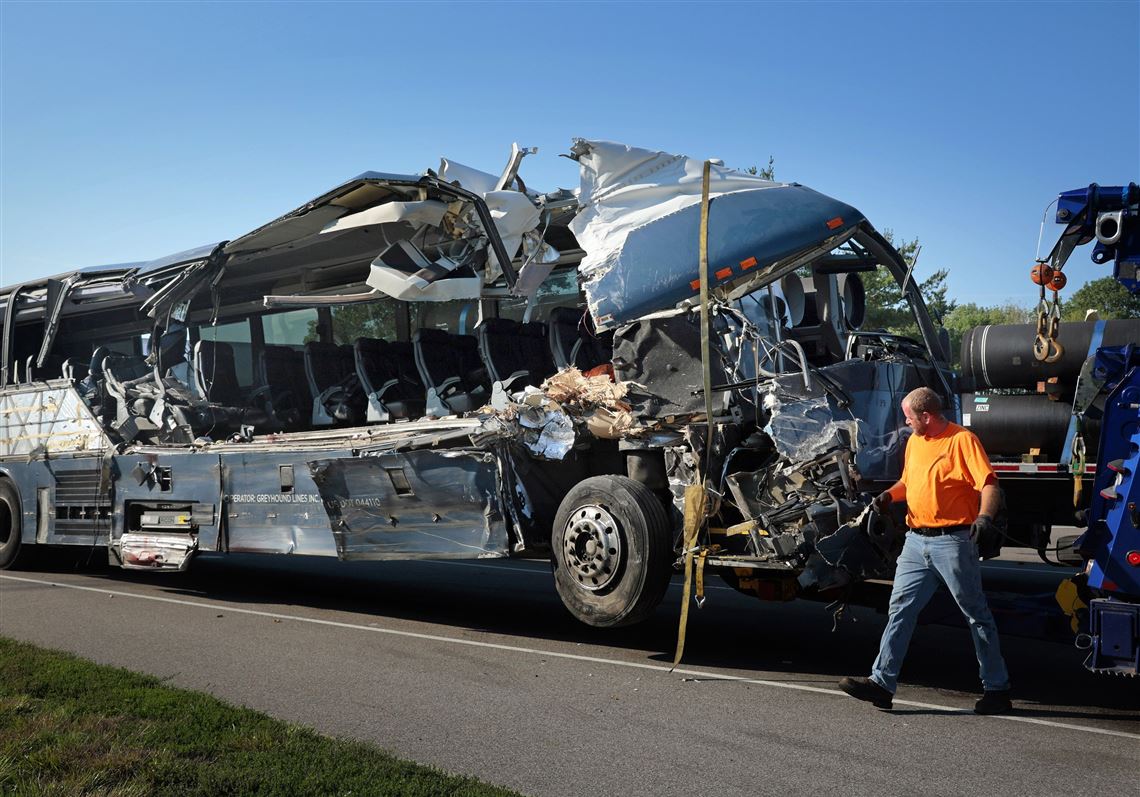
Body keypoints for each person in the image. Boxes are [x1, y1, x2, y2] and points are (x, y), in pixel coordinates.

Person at [839, 386, 1012, 715]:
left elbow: (989, 483)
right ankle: (881, 684)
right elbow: (909, 482)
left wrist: (985, 517)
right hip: (916, 543)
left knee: (976, 616)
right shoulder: (916, 442)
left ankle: (997, 689)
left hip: (954, 542)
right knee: (900, 611)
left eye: (909, 418)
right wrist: (889, 496)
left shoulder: (962, 441)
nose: (906, 423)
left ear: (927, 416)